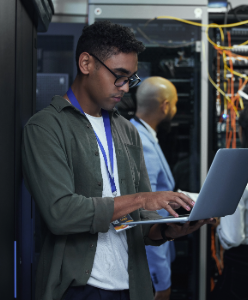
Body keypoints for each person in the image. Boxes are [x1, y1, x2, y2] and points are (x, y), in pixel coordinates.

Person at [22, 21, 216, 300]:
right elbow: (60, 214)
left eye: (131, 78)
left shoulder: (127, 131)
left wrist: (167, 229)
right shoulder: (46, 128)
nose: (125, 87)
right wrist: (141, 200)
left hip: (132, 288)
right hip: (79, 291)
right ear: (86, 63)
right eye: (119, 76)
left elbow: (137, 223)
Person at [130, 77, 178, 300]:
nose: (175, 110)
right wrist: (161, 281)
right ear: (165, 106)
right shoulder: (142, 143)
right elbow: (149, 214)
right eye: (175, 104)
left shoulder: (140, 135)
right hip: (150, 265)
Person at [211, 104, 248, 300]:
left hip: (243, 267)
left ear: (242, 131)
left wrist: (218, 224)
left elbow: (232, 238)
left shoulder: (236, 174)